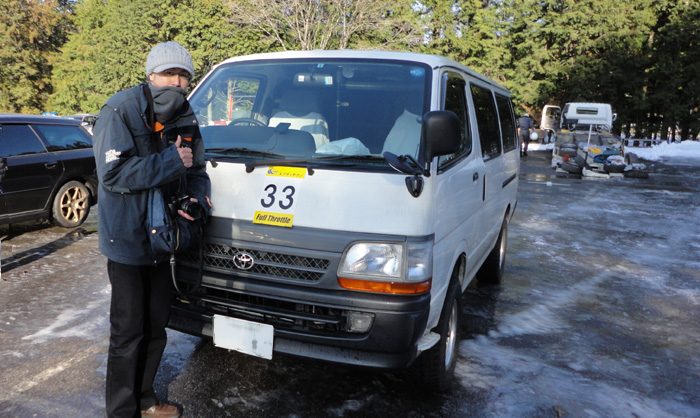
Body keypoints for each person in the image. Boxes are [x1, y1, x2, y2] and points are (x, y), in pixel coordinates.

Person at [92, 41, 210, 418]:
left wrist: (197, 200)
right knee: (129, 331)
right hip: (127, 238)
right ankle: (122, 411)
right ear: (151, 75)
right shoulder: (120, 110)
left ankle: (145, 400)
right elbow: (113, 174)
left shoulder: (185, 115)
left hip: (166, 239)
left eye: (183, 76)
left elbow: (197, 169)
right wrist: (170, 162)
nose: (175, 82)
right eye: (168, 73)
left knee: (157, 326)